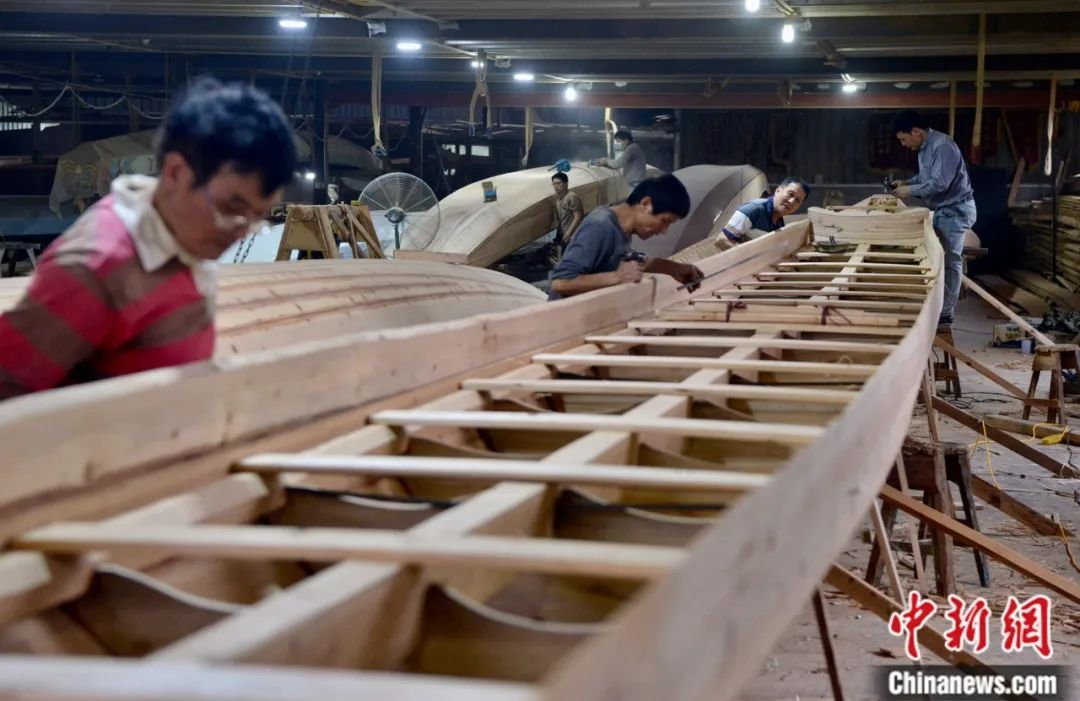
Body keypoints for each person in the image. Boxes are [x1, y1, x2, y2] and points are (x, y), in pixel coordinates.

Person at [0, 78, 296, 399]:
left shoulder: (184, 237)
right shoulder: (94, 269)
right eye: (232, 207)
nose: (239, 231)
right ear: (176, 172)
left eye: (257, 216)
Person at [548, 174, 703, 300]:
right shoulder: (600, 226)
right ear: (646, 204)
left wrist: (672, 268)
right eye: (665, 221)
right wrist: (618, 277)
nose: (664, 230)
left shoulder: (622, 229)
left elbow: (624, 258)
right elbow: (561, 282)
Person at [889, 109, 976, 329]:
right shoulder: (924, 148)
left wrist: (910, 191)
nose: (904, 144)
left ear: (916, 131)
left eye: (904, 139)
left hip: (956, 209)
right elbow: (925, 177)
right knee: (937, 258)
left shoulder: (942, 146)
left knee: (949, 261)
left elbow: (940, 183)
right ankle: (936, 307)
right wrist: (907, 183)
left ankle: (945, 315)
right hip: (943, 209)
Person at [718, 178, 810, 245]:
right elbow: (721, 239)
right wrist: (747, 259)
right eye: (790, 194)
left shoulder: (779, 221)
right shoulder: (753, 209)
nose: (791, 201)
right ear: (778, 190)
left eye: (797, 200)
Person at [550, 171, 584, 261]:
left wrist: (568, 233)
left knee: (573, 260)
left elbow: (578, 216)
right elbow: (561, 220)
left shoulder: (571, 197)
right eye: (554, 184)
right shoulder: (558, 200)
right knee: (562, 258)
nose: (556, 186)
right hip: (565, 235)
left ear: (566, 184)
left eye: (558, 183)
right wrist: (559, 236)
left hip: (573, 235)